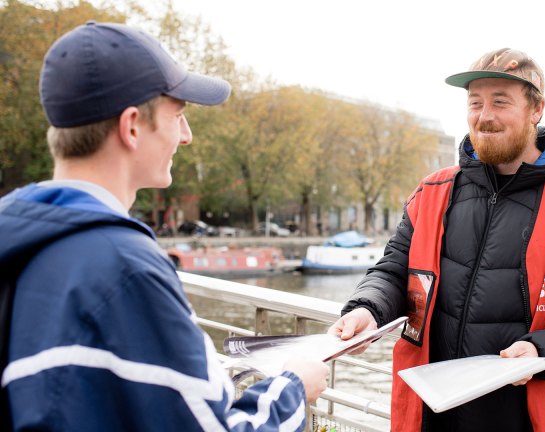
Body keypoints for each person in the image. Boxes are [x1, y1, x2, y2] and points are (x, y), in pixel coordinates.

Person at [0, 22, 328, 431]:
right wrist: (293, 388)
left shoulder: (18, 236)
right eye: (179, 116)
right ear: (132, 126)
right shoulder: (125, 269)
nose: (186, 137)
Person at [329, 48, 545, 432]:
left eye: (501, 102)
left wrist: (542, 352)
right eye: (475, 102)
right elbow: (394, 272)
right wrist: (368, 309)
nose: (485, 116)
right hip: (429, 413)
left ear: (536, 109)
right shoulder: (433, 191)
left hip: (527, 417)